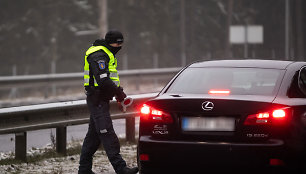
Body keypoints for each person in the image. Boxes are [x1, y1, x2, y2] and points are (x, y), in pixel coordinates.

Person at [78, 30, 139, 174]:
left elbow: (109, 79)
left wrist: (117, 93)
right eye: (117, 43)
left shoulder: (106, 53)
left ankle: (84, 170)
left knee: (93, 138)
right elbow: (103, 80)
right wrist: (119, 92)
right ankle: (121, 169)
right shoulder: (98, 55)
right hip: (97, 98)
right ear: (108, 42)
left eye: (121, 43)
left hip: (101, 98)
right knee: (108, 134)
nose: (119, 46)